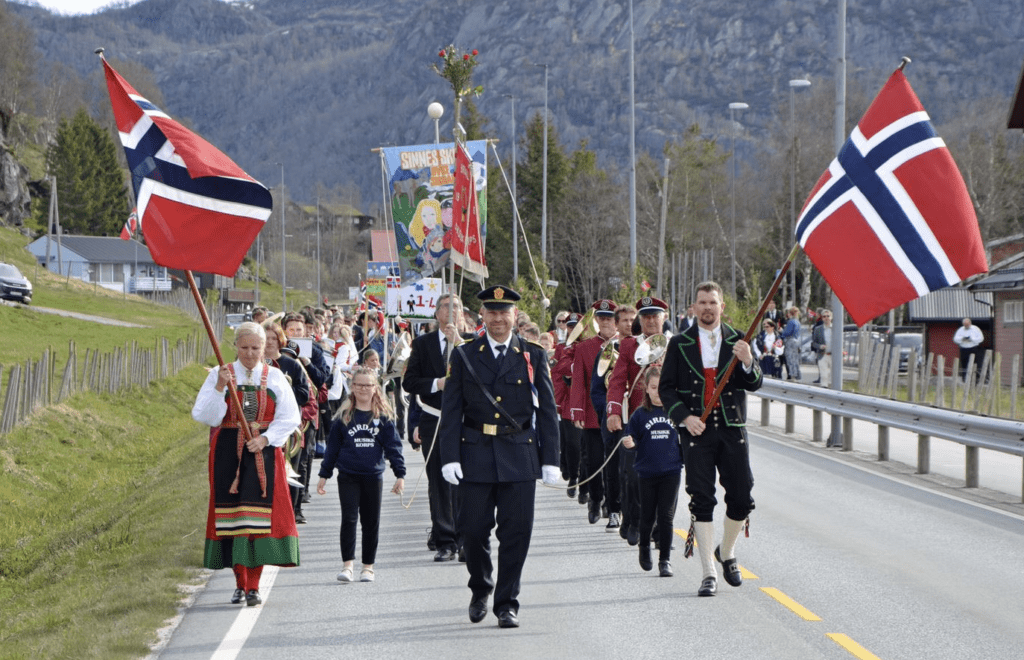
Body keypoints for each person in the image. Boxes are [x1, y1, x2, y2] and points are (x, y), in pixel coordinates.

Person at [439, 285, 560, 629]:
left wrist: (550, 458)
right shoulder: (463, 355)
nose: (497, 319)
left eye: (504, 312)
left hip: (519, 454)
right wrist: (450, 456)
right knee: (473, 531)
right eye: (491, 312)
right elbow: (452, 410)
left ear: (514, 317)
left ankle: (506, 602)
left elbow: (548, 410)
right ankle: (480, 588)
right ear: (482, 316)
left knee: (517, 534)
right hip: (475, 453)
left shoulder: (533, 354)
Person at [659, 281, 762, 598]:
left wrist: (747, 361)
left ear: (722, 307)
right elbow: (666, 389)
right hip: (697, 431)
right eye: (701, 302)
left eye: (712, 303)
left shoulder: (738, 339)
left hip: (731, 427)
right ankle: (708, 573)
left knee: (742, 497)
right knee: (701, 498)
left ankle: (727, 551)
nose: (707, 308)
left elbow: (754, 383)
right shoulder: (679, 343)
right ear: (694, 307)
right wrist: (684, 418)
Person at [191, 322, 301, 607]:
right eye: (244, 348)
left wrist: (266, 439)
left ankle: (253, 585)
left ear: (264, 347)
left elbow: (290, 417)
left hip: (263, 453)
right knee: (232, 520)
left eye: (255, 348)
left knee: (258, 521)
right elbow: (205, 415)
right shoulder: (220, 373)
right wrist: (218, 387)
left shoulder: (275, 377)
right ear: (236, 347)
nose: (250, 354)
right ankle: (239, 582)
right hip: (228, 452)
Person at [317, 367, 406, 584]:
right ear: (352, 387)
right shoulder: (343, 418)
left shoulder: (383, 419)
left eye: (368, 385)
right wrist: (323, 475)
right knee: (349, 519)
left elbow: (394, 448)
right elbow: (332, 449)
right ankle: (347, 565)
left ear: (375, 388)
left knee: (371, 521)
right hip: (347, 475)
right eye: (359, 385)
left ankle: (368, 567)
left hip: (372, 477)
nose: (364, 389)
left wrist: (400, 475)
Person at [402, 293, 466, 562]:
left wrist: (459, 344)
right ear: (437, 313)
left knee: (465, 481)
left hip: (465, 421)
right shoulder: (423, 343)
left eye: (457, 308)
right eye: (446, 307)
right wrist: (435, 384)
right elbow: (409, 382)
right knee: (438, 481)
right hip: (433, 417)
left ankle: (465, 539)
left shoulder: (472, 343)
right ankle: (445, 540)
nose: (452, 312)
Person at [622, 366, 681, 578]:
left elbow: (686, 439)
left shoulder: (676, 411)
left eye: (661, 387)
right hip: (647, 472)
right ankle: (644, 547)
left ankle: (664, 559)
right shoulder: (640, 415)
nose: (657, 392)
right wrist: (629, 443)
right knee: (647, 516)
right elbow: (632, 439)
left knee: (666, 516)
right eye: (653, 387)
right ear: (646, 388)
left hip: (671, 471)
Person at [570, 299, 619, 528]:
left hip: (620, 413)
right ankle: (595, 499)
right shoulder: (585, 347)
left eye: (610, 318)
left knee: (615, 462)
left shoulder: (625, 345)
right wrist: (577, 410)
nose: (606, 322)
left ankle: (612, 504)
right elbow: (578, 380)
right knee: (594, 459)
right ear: (597, 320)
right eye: (602, 318)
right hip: (592, 413)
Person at [779, 306, 802, 381]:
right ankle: (797, 375)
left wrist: (781, 332)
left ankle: (792, 375)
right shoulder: (798, 322)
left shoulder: (791, 321)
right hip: (796, 341)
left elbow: (787, 332)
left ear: (790, 313)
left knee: (790, 359)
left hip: (790, 341)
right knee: (795, 359)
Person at [811, 310, 834, 387]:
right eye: (824, 316)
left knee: (834, 375)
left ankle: (835, 392)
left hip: (833, 355)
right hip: (822, 354)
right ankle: (824, 389)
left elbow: (841, 341)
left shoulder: (836, 328)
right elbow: (814, 343)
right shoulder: (818, 329)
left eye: (828, 316)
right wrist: (820, 346)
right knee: (824, 375)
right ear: (822, 318)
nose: (826, 318)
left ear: (831, 317)